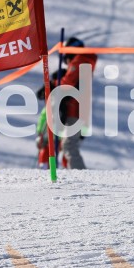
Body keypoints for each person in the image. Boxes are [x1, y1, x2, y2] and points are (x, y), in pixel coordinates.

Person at [36, 37, 97, 169]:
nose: (67, 62)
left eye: (67, 58)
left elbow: (67, 83)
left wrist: (52, 84)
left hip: (75, 110)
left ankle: (81, 177)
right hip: (76, 110)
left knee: (69, 145)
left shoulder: (80, 60)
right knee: (66, 145)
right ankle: (74, 174)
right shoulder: (84, 62)